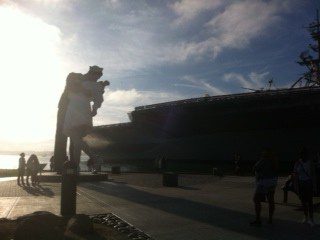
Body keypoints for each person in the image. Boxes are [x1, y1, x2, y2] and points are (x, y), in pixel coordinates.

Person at [54, 66, 108, 173]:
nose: (96, 80)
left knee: (75, 139)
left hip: (76, 111)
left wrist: (95, 107)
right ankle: (75, 166)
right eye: (96, 77)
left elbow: (97, 97)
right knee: (76, 140)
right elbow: (96, 97)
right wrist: (95, 107)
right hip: (73, 109)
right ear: (92, 74)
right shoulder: (77, 77)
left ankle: (93, 158)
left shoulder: (93, 84)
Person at [250, 149, 278, 226]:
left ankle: (258, 219)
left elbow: (254, 168)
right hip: (273, 181)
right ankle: (270, 219)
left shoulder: (263, 159)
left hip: (264, 181)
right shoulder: (274, 161)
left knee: (256, 199)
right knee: (271, 199)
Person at [293, 147, 315, 227]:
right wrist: (296, 185)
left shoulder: (310, 163)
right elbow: (295, 174)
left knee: (310, 201)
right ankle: (306, 217)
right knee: (303, 201)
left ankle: (311, 218)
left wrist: (314, 185)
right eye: (301, 154)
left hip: (308, 183)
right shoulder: (297, 163)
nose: (302, 156)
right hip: (301, 183)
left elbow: (313, 174)